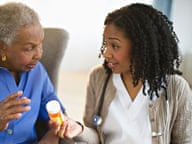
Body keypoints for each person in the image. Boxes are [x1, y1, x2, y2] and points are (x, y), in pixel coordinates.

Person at [55, 3, 192, 144]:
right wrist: (80, 129)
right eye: (105, 44)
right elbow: (95, 135)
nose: (106, 53)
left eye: (115, 46)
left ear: (140, 47)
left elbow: (185, 141)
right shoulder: (98, 77)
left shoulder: (176, 88)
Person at [0, 2, 81, 144]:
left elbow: (51, 105)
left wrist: (55, 130)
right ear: (2, 47)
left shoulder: (36, 70)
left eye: (40, 44)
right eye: (29, 48)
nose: (38, 54)